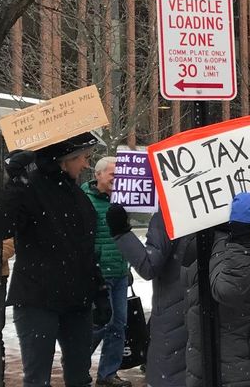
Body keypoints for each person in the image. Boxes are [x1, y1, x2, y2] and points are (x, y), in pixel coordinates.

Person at [0, 133, 109, 387]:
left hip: (78, 301)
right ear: (65, 160)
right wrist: (15, 183)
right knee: (37, 378)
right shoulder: (30, 188)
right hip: (37, 300)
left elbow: (85, 250)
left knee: (80, 377)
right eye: (82, 158)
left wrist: (99, 289)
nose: (86, 165)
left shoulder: (78, 196)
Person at [184, 193, 250, 387]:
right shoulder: (224, 247)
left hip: (224, 364)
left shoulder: (206, 245)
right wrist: (239, 240)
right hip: (233, 369)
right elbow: (228, 290)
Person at [108, 204, 194, 387]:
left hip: (174, 320)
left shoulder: (172, 213)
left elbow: (149, 267)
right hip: (210, 320)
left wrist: (121, 233)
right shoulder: (218, 214)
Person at [84, 156, 133, 387]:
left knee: (118, 325)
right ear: (98, 175)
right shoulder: (84, 201)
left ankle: (108, 374)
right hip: (98, 273)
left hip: (120, 271)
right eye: (113, 174)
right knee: (99, 324)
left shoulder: (123, 201)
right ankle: (78, 364)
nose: (117, 179)